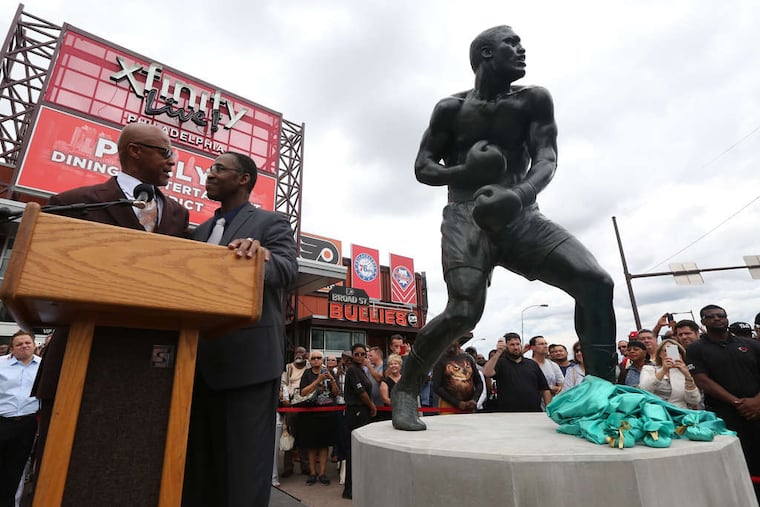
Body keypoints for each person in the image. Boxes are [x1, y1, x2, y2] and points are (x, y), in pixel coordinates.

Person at [392, 25, 616, 431]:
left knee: (595, 282)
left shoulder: (533, 99)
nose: (522, 49)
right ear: (485, 54)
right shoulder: (451, 109)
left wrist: (521, 192)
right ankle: (406, 388)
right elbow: (423, 167)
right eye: (510, 44)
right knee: (463, 312)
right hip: (466, 214)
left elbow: (547, 156)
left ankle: (604, 392)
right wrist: (467, 170)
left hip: (520, 211)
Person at [32, 123, 190, 477]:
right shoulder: (74, 203)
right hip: (83, 358)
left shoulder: (179, 215)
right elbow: (45, 278)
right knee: (65, 472)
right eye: (165, 152)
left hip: (150, 369)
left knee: (137, 472)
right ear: (134, 151)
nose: (172, 162)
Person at [182, 152, 298, 507]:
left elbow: (288, 270)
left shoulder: (269, 222)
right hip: (193, 366)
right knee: (195, 470)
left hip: (247, 366)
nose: (210, 174)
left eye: (218, 169)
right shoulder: (199, 232)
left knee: (243, 472)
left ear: (244, 178)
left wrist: (261, 256)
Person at [686, 305, 760, 502]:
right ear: (703, 322)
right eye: (710, 316)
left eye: (721, 315)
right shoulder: (695, 349)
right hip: (726, 415)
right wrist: (738, 403)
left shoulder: (751, 345)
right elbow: (702, 380)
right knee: (740, 462)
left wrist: (756, 402)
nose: (717, 319)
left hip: (758, 409)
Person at [0, 330, 40, 507]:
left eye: (27, 343)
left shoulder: (44, 366)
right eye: (19, 344)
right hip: (2, 421)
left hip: (27, 424)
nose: (24, 346)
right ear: (12, 349)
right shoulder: (0, 364)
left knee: (16, 468)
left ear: (34, 345)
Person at [297, 351, 339, 486]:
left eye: (319, 358)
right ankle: (312, 473)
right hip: (311, 413)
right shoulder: (307, 373)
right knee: (311, 445)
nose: (316, 360)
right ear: (310, 360)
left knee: (324, 444)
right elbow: (303, 392)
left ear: (323, 359)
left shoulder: (329, 372)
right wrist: (318, 380)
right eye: (313, 358)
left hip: (327, 413)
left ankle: (322, 473)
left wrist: (331, 379)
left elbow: (336, 392)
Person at [341, 344, 376, 500]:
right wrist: (372, 406)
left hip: (362, 412)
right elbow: (361, 392)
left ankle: (356, 486)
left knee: (359, 451)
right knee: (353, 451)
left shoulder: (361, 370)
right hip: (356, 411)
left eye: (363, 354)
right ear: (352, 356)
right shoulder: (352, 370)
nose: (360, 356)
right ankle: (349, 489)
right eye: (357, 354)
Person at [482, 333, 550, 412]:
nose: (516, 347)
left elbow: (545, 389)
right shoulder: (500, 363)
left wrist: (548, 410)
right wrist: (498, 352)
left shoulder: (532, 364)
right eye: (512, 345)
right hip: (508, 413)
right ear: (506, 347)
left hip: (533, 412)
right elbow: (487, 372)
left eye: (518, 344)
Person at [639, 339, 700, 409]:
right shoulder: (648, 369)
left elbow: (694, 401)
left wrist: (687, 375)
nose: (669, 353)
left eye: (674, 350)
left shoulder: (685, 371)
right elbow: (644, 389)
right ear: (660, 354)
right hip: (656, 412)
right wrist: (663, 370)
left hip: (680, 413)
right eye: (666, 350)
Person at [432, 340, 483, 413]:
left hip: (469, 407)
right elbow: (436, 386)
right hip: (448, 407)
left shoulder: (468, 358)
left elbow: (479, 383)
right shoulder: (440, 360)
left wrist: (474, 400)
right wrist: (457, 403)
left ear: (457, 340)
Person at [528, 336, 563, 400]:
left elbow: (563, 387)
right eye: (541, 344)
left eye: (546, 343)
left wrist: (550, 387)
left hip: (552, 404)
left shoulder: (553, 365)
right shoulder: (527, 365)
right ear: (533, 347)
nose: (545, 346)